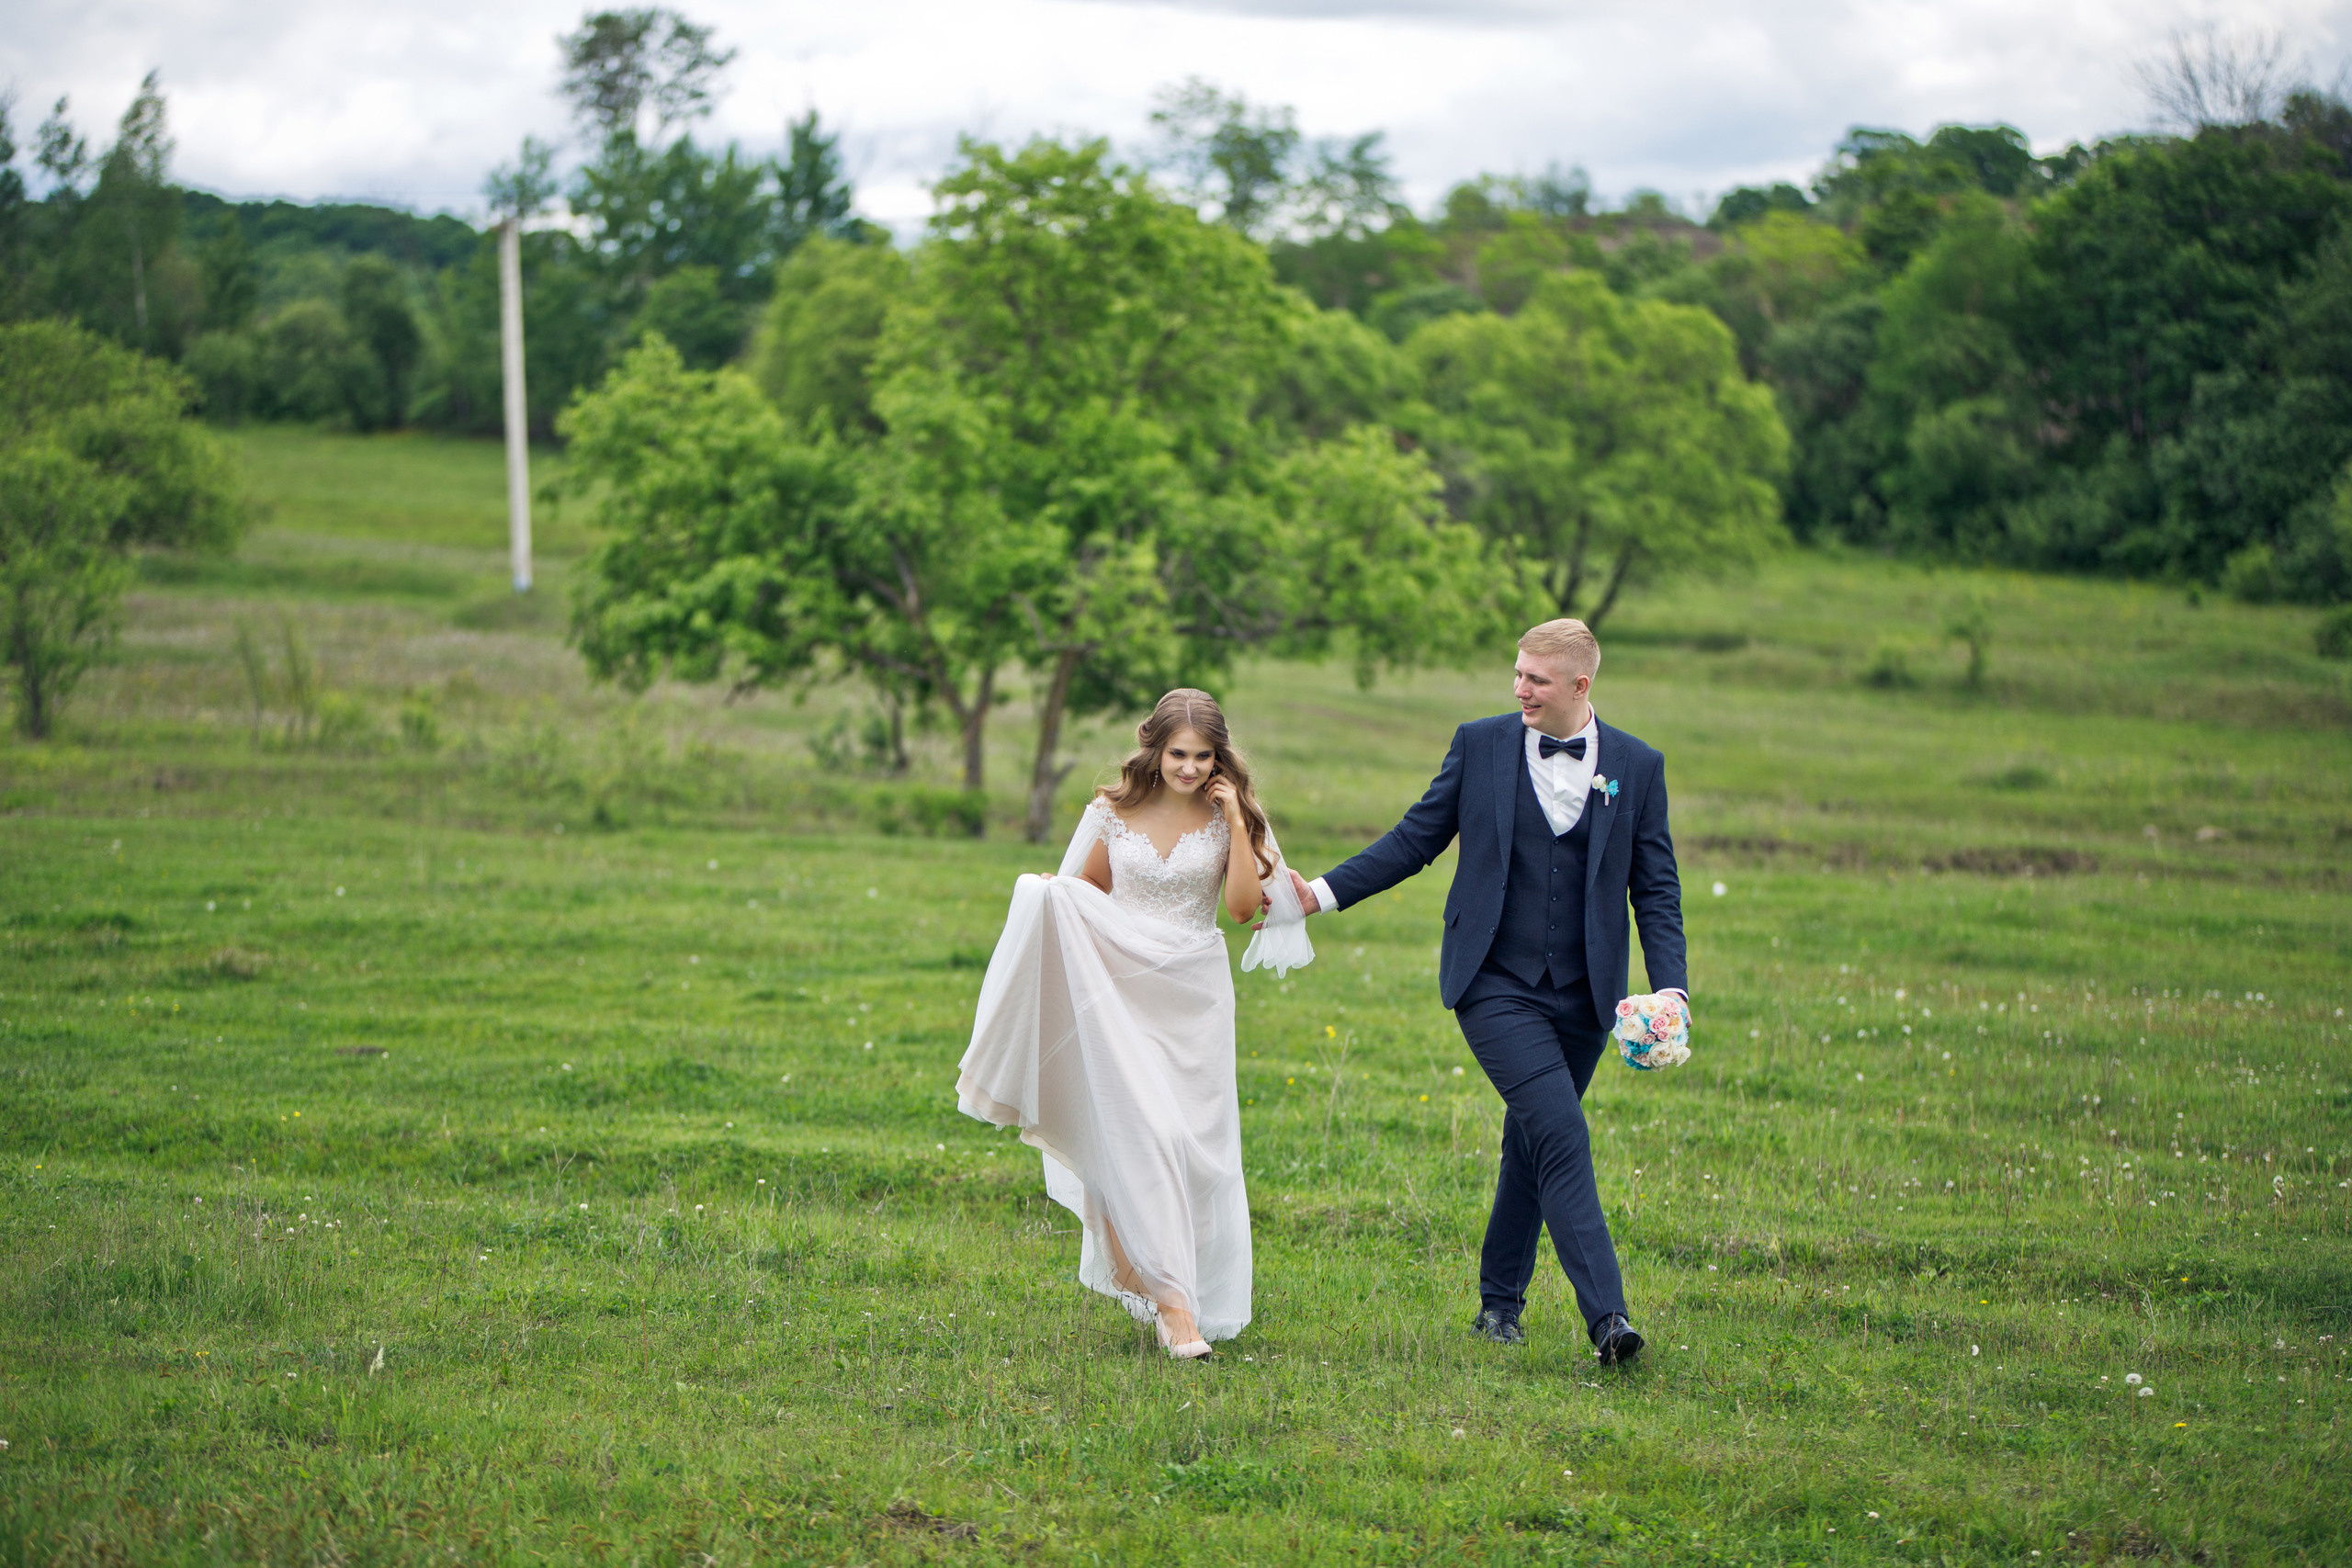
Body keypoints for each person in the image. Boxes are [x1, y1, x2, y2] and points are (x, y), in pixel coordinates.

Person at [1289, 618, 1687, 1364]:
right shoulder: (1480, 744)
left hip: (1588, 996)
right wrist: (1318, 893)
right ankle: (1609, 1319)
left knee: (1532, 1140)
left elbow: (1656, 890)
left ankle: (1498, 1305)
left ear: (1580, 685)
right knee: (1563, 1133)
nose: (1519, 688)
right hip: (1494, 984)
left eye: (1536, 678)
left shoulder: (1638, 764)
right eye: (1517, 673)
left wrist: (1672, 991)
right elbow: (1415, 840)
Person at [956, 689, 1312, 1359]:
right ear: (1154, 748)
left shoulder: (1229, 814)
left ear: (1219, 756)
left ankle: (1169, 1287)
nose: (1189, 767)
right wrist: (1048, 898)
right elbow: (1084, 894)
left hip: (1192, 993)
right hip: (1119, 987)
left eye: (1203, 756)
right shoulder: (1111, 811)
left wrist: (1236, 821)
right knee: (1138, 1131)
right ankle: (1175, 1310)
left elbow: (1240, 910)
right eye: (1178, 754)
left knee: (1191, 1145)